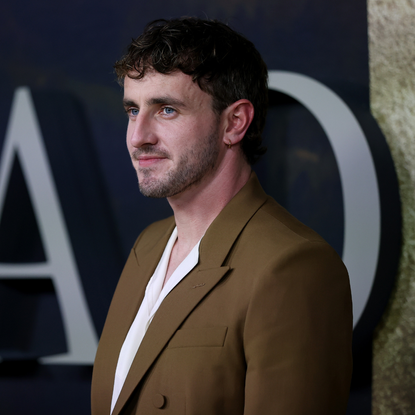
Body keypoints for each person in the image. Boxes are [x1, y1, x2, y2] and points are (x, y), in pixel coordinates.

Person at [91, 17, 353, 415]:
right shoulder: (148, 246)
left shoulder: (293, 267)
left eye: (166, 110)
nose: (137, 136)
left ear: (234, 123)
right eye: (132, 110)